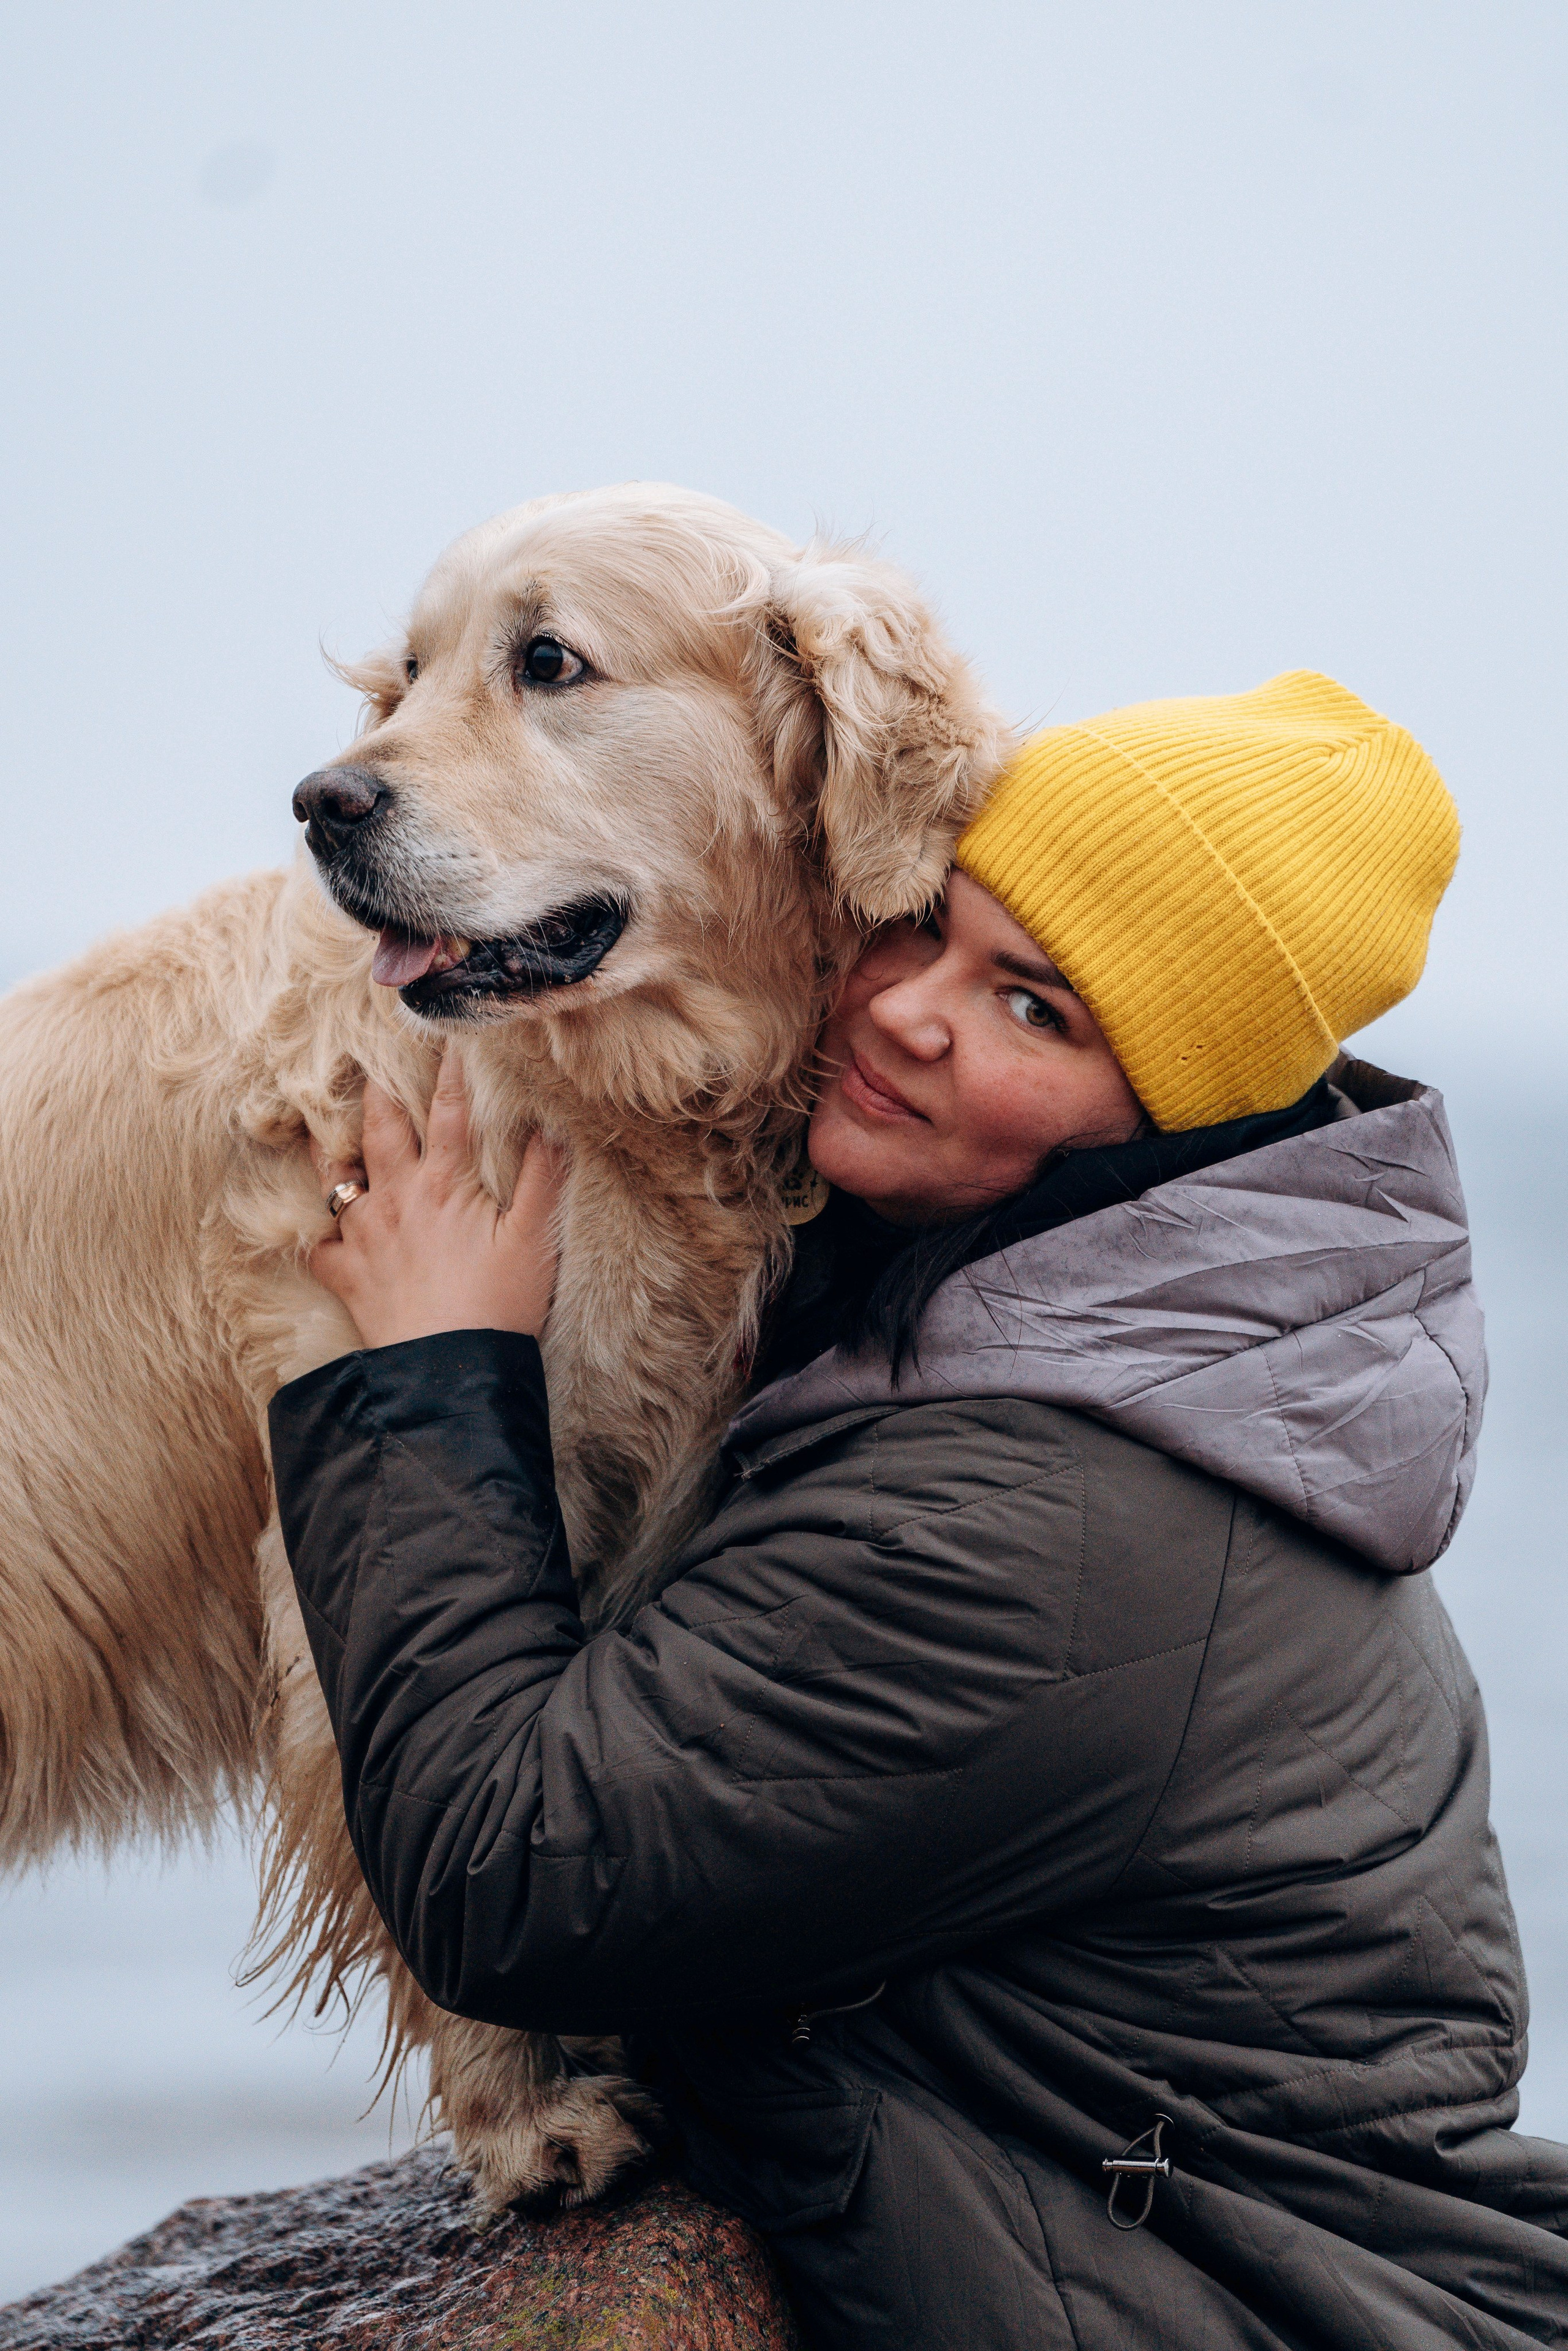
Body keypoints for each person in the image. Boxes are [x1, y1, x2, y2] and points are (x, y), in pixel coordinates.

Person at [270, 671, 1568, 2347]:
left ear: (1177, 1118)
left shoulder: (1043, 1515)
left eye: (1035, 1010)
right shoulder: (1018, 1342)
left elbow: (514, 1884)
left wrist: (436, 1373)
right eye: (921, 930)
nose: (907, 1015)